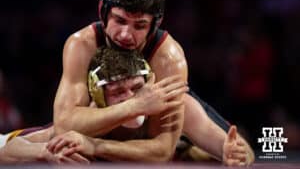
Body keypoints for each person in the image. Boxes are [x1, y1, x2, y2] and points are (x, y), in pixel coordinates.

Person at [52, 0, 254, 164]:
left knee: (239, 150)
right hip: (105, 118)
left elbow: (162, 151)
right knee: (46, 139)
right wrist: (134, 105)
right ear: (102, 12)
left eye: (139, 25)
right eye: (119, 20)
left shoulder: (168, 58)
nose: (125, 34)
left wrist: (95, 146)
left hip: (145, 125)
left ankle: (185, 145)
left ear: (154, 25)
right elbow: (64, 125)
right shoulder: (81, 45)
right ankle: (185, 148)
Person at [1, 47, 247, 165]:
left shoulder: (173, 104)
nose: (131, 98)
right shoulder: (84, 124)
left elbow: (239, 150)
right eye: (118, 91)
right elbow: (5, 147)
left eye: (137, 88)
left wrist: (231, 153)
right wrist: (43, 152)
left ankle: (184, 148)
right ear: (98, 97)